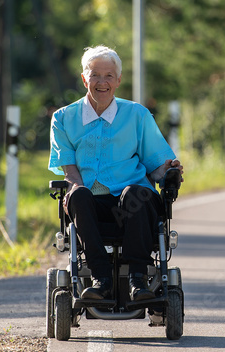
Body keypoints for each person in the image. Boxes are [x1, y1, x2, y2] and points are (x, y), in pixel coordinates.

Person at [48, 45, 183, 301]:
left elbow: (156, 164)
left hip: (134, 202)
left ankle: (137, 279)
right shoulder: (64, 119)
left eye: (109, 75)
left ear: (118, 80)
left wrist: (169, 169)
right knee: (78, 195)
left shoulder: (137, 115)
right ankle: (101, 279)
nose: (102, 82)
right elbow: (70, 171)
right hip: (92, 203)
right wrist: (75, 188)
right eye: (95, 74)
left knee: (136, 192)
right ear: (84, 78)